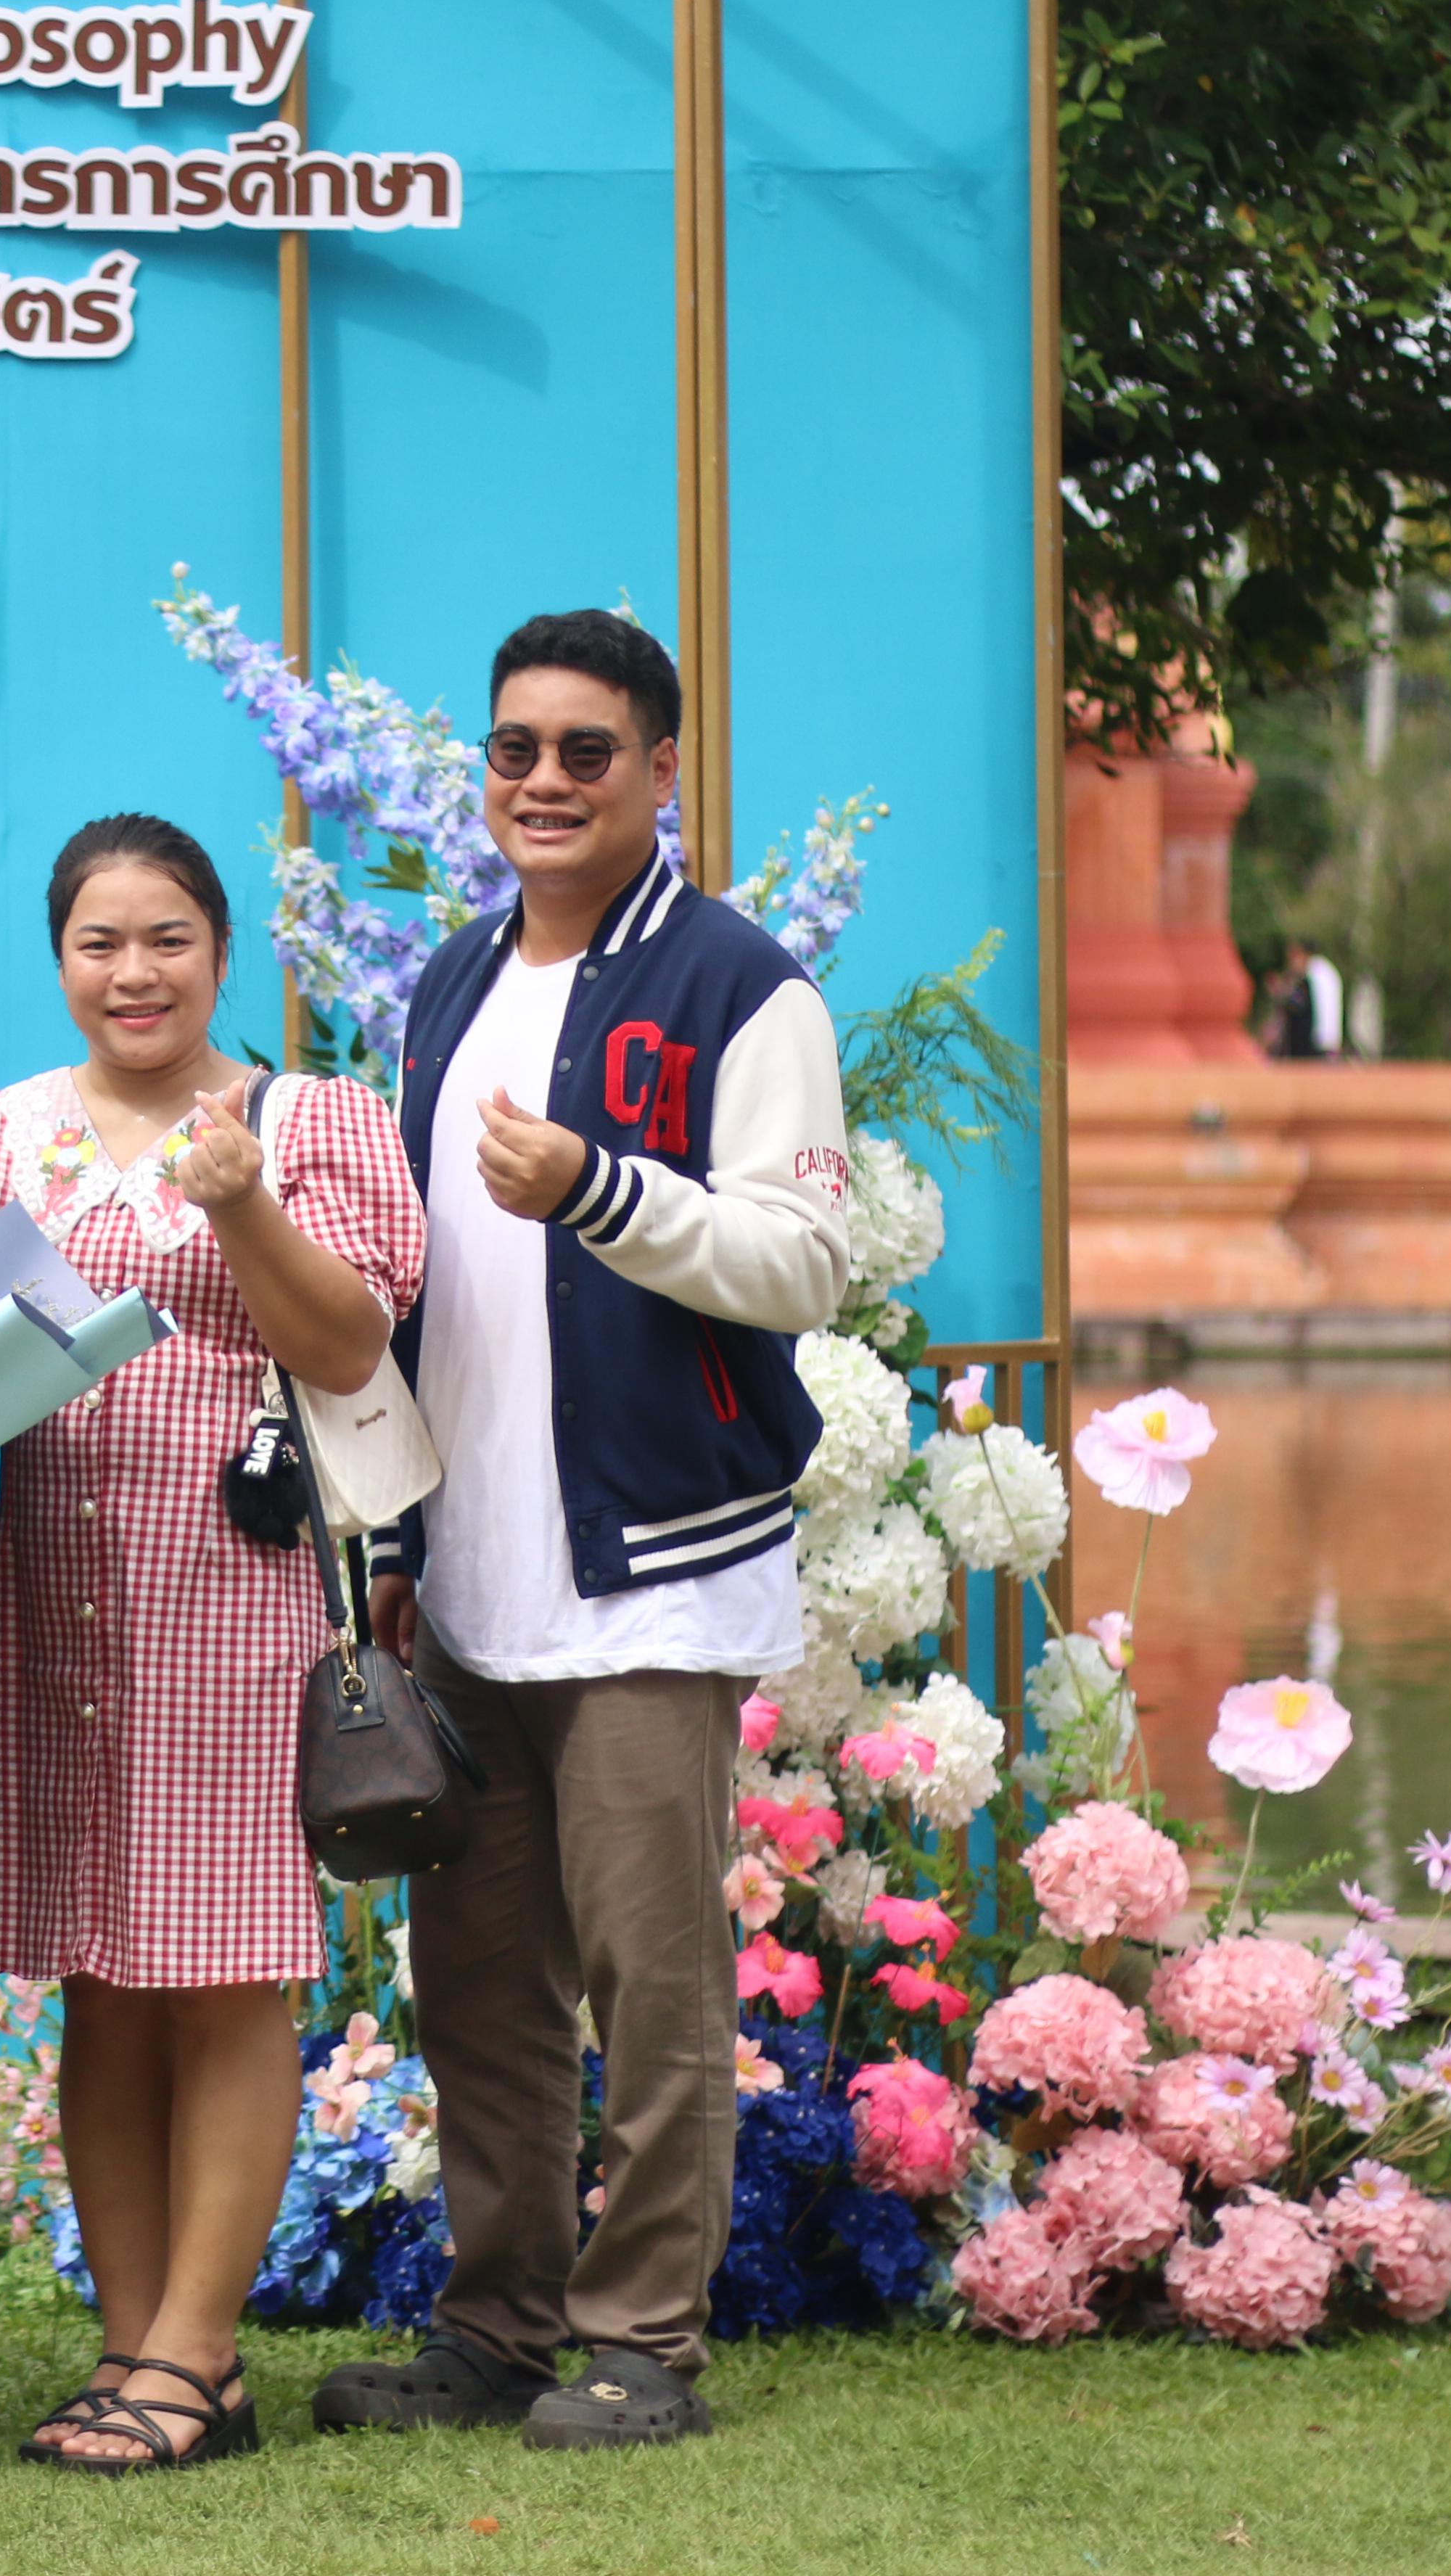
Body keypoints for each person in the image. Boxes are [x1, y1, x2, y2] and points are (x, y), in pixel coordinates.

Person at [312, 610, 850, 2451]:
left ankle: (645, 2347)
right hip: (468, 1580)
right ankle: (495, 2334)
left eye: (587, 752)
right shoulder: (452, 983)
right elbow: (418, 1283)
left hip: (654, 1573)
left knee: (653, 1984)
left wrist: (604, 1189)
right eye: (517, 750)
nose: (545, 781)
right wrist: (388, 1538)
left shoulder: (742, 989)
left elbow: (805, 1259)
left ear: (663, 771)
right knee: (479, 1997)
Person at [0, 817, 424, 2473]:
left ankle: (198, 2346)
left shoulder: (309, 1122)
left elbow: (353, 1341)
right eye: (99, 941)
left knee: (227, 1975)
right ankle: (141, 2355)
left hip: (236, 1598)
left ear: (222, 954)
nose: (132, 971)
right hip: (56, 1593)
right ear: (61, 956)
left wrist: (239, 1212)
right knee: (105, 1974)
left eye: (166, 938)